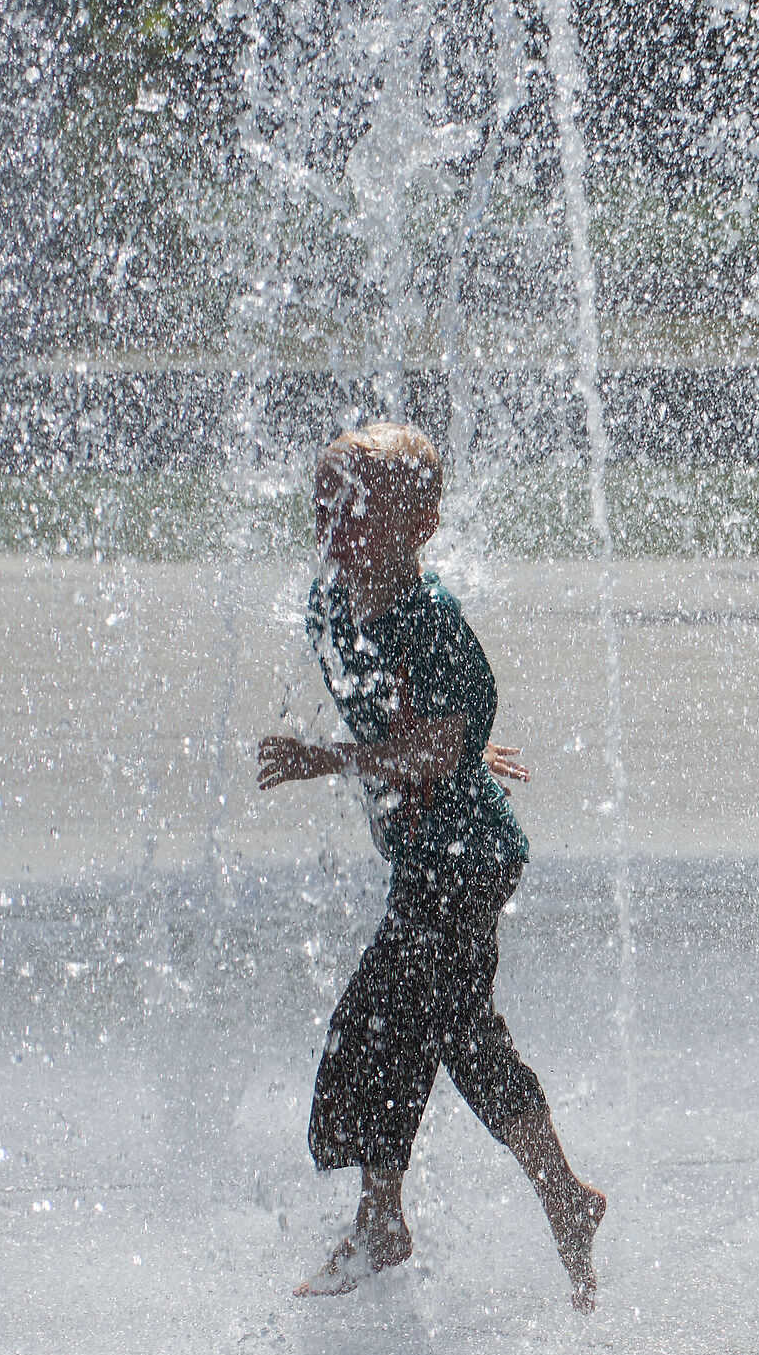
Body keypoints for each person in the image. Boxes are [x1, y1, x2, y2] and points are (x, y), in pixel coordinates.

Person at [257, 421, 605, 1308]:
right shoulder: (332, 602)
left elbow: (432, 740)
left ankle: (385, 1221)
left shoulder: (431, 621)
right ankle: (563, 1200)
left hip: (466, 864)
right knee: (455, 1032)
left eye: (358, 509)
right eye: (323, 503)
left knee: (378, 1026)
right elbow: (421, 729)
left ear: (423, 524)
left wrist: (346, 757)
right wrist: (454, 744)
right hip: (431, 857)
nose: (333, 524)